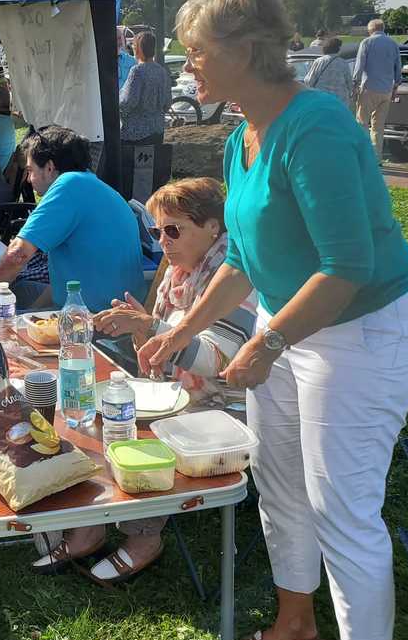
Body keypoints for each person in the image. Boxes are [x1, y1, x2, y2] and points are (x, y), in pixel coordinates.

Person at [138, 0, 408, 640]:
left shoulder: (317, 126)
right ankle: (296, 627)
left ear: (246, 50)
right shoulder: (239, 137)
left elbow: (346, 267)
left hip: (364, 332)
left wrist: (266, 343)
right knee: (278, 483)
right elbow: (243, 258)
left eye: (197, 51)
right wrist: (182, 328)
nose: (188, 64)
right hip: (292, 327)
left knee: (342, 508)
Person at [35, 178, 258, 581]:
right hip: (179, 392)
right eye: (156, 232)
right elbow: (159, 351)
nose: (163, 242)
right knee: (97, 415)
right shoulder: (179, 273)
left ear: (213, 227)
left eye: (174, 230)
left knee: (133, 428)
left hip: (226, 404)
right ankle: (90, 523)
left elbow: (218, 360)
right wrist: (142, 328)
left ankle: (143, 537)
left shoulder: (233, 276)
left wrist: (148, 325)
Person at [0, 126, 144, 312]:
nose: (28, 179)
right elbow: (66, 282)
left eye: (30, 170)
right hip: (119, 310)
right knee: (19, 289)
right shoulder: (90, 184)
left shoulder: (68, 185)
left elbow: (17, 255)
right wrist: (33, 311)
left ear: (49, 167)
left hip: (96, 318)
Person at [352, 18, 403, 162]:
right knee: (378, 126)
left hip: (369, 87)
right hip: (386, 89)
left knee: (362, 122)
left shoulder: (366, 42)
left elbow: (359, 65)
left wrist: (355, 84)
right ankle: (376, 158)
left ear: (371, 29)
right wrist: (395, 86)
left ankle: (363, 155)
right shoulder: (393, 43)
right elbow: (398, 67)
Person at [120, 31, 173, 146]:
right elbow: (168, 103)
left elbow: (128, 101)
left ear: (138, 48)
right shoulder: (162, 71)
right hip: (158, 131)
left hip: (136, 133)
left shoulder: (137, 71)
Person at [303, 36, 353, 109]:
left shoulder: (319, 61)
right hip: (340, 101)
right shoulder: (343, 63)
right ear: (338, 49)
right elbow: (349, 83)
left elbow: (308, 80)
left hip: (321, 99)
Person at [116, 26, 136, 90]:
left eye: (120, 38)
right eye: (116, 38)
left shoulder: (132, 61)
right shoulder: (104, 62)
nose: (119, 41)